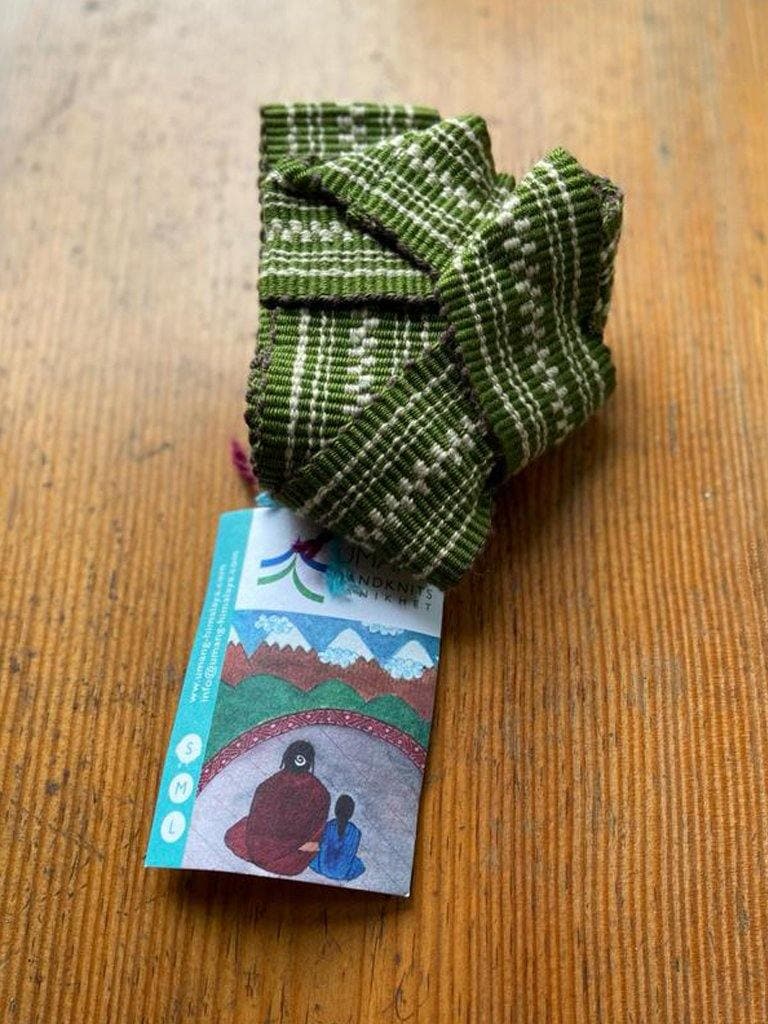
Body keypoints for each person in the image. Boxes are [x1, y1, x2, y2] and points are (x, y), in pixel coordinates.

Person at [224, 739, 330, 876]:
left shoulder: (267, 784)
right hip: (292, 853)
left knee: (236, 834)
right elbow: (318, 829)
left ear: (287, 757)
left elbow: (255, 821)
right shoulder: (320, 792)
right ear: (309, 762)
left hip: (260, 849)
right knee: (318, 843)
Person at [309, 794, 365, 882]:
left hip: (324, 868)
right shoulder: (355, 832)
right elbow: (351, 852)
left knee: (311, 851)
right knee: (360, 866)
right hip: (341, 873)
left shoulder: (329, 826)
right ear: (351, 814)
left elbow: (322, 844)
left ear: (336, 810)